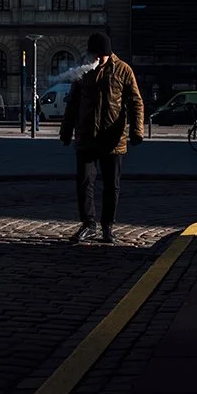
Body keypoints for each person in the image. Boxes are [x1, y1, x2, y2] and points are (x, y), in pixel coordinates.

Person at [59, 31, 144, 244]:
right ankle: (88, 224)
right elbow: (73, 103)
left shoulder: (123, 70)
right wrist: (66, 130)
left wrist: (137, 130)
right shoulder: (84, 71)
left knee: (111, 185)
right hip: (87, 137)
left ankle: (108, 226)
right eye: (94, 55)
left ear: (107, 53)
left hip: (112, 139)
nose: (96, 59)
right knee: (84, 182)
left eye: (100, 55)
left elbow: (136, 102)